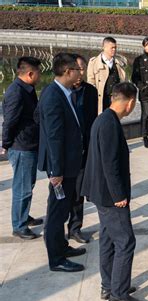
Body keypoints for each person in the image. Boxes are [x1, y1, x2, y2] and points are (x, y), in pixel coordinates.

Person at [81, 82, 146, 301]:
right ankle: (118, 294)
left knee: (108, 239)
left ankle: (109, 285)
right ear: (129, 102)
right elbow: (110, 164)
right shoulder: (108, 124)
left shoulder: (105, 119)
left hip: (101, 192)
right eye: (134, 103)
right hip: (110, 195)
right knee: (126, 241)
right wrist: (119, 195)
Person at [37, 53, 85, 272]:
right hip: (61, 168)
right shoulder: (53, 95)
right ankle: (56, 259)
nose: (80, 72)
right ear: (68, 71)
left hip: (68, 163)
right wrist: (56, 171)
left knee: (63, 209)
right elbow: (54, 136)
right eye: (77, 69)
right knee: (57, 213)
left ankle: (62, 247)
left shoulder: (61, 92)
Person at [2, 57, 43, 239]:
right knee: (22, 187)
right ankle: (19, 225)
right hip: (21, 146)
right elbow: (9, 121)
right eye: (39, 73)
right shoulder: (16, 92)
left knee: (28, 184)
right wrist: (6, 143)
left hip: (29, 143)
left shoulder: (27, 89)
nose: (40, 77)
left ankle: (23, 215)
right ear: (30, 74)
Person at [66, 54, 98, 244]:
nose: (80, 73)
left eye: (82, 69)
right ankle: (57, 229)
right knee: (63, 194)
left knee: (78, 192)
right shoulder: (63, 92)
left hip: (83, 149)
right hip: (65, 151)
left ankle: (75, 228)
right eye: (77, 68)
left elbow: (92, 119)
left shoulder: (91, 91)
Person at [87, 37, 126, 113]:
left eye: (115, 48)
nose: (114, 50)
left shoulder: (119, 63)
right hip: (101, 99)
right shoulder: (94, 62)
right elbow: (91, 81)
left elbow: (123, 81)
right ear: (104, 47)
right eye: (112, 48)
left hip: (116, 99)